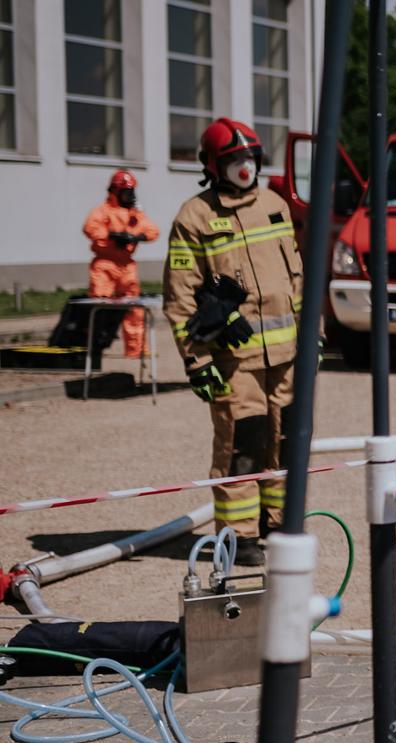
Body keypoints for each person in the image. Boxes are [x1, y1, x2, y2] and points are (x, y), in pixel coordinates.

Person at [164, 119, 300, 567]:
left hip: (286, 358)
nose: (244, 168)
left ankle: (278, 523)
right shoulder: (195, 217)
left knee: (285, 443)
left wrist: (313, 337)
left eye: (250, 158)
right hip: (232, 361)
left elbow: (297, 278)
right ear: (212, 165)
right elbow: (181, 297)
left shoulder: (275, 205)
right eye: (233, 160)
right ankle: (239, 537)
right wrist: (197, 361)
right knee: (243, 444)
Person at [83, 171, 160, 359]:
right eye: (126, 191)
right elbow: (90, 228)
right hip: (104, 265)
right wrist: (113, 235)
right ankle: (93, 349)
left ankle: (137, 350)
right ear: (115, 191)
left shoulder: (134, 213)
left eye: (131, 191)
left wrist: (136, 237)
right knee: (99, 306)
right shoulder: (103, 210)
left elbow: (153, 231)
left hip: (127, 266)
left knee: (133, 307)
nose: (130, 196)